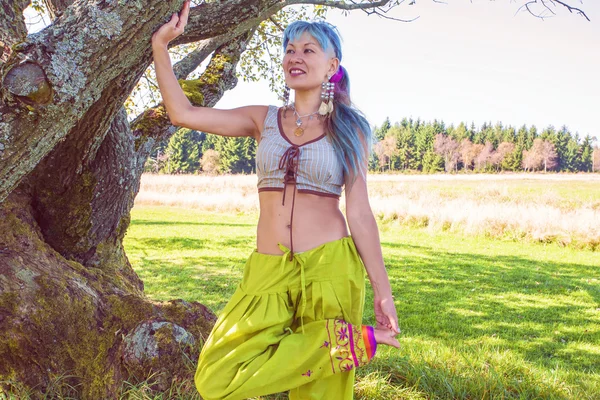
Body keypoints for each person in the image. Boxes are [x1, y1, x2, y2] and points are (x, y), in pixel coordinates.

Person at [152, 2, 400, 399]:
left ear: (332, 65)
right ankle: (347, 344)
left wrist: (381, 290)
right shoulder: (262, 118)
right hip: (268, 268)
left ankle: (342, 345)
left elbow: (359, 212)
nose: (295, 57)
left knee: (323, 394)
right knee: (216, 375)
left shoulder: (350, 128)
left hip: (330, 266)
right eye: (289, 49)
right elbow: (181, 113)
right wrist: (161, 45)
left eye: (308, 50)